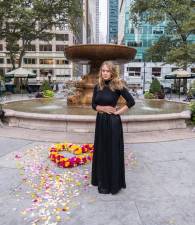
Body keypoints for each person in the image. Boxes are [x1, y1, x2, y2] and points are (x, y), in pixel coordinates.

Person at [91, 61, 135, 195]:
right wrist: (102, 108)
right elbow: (93, 105)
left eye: (107, 71)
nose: (105, 73)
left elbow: (131, 101)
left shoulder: (117, 85)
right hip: (100, 122)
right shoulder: (97, 86)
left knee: (112, 152)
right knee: (102, 150)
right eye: (103, 70)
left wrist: (117, 112)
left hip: (112, 123)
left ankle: (113, 183)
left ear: (112, 72)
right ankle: (101, 180)